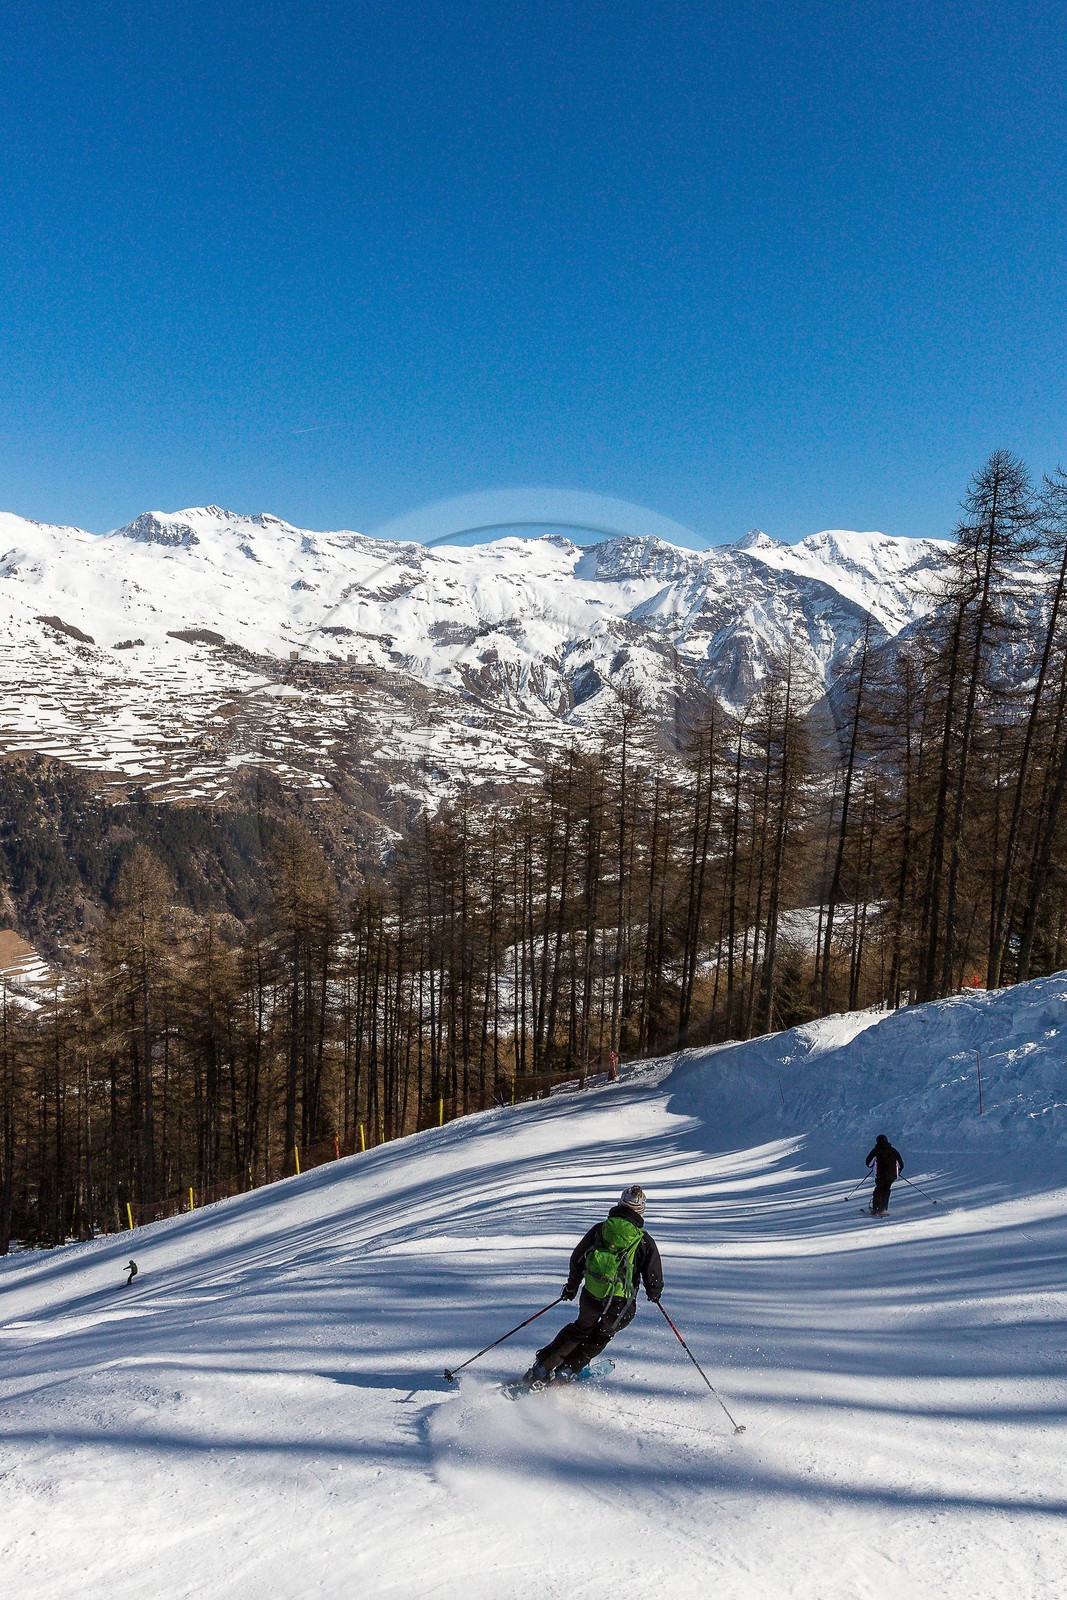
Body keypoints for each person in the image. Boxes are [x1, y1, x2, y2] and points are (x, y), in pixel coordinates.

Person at [523, 1184, 663, 1384]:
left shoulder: (600, 1230)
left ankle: (543, 1367)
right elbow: (653, 1273)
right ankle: (568, 1371)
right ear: (641, 1210)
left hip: (592, 1295)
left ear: (619, 1203)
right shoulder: (643, 1241)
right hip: (620, 1304)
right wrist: (654, 1292)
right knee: (603, 1334)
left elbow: (578, 1258)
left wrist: (572, 1286)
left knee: (580, 1328)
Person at [866, 1134, 904, 1215]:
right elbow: (901, 1165)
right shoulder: (893, 1150)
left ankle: (876, 1208)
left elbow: (868, 1163)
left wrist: (873, 1166)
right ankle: (883, 1208)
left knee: (878, 1190)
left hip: (880, 1175)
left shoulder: (876, 1150)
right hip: (892, 1175)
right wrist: (897, 1171)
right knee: (886, 1190)